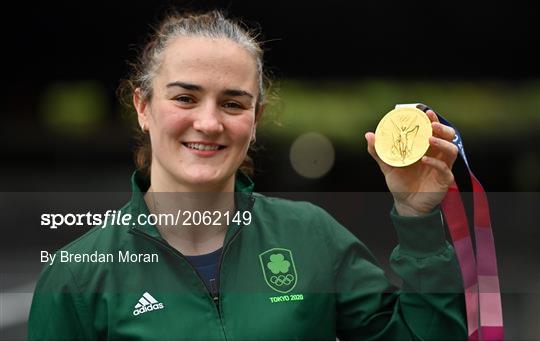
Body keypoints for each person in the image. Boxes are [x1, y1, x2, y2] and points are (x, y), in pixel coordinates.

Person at [28, 10, 466, 340]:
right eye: (185, 98)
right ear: (142, 107)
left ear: (255, 119)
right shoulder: (76, 278)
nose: (209, 122)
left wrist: (417, 219)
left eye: (233, 104)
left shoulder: (312, 238)